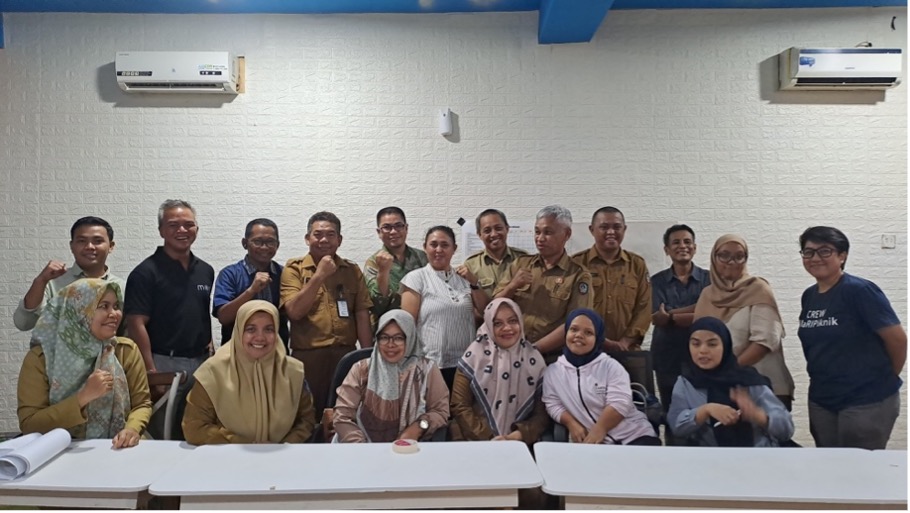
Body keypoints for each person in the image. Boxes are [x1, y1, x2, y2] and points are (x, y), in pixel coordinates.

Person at [797, 226, 905, 450]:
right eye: (808, 252)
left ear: (842, 256)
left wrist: (884, 378)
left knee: (860, 466)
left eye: (825, 251)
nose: (815, 258)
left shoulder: (860, 290)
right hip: (823, 398)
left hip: (866, 399)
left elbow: (897, 340)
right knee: (828, 464)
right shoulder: (809, 296)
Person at [18, 279, 152, 448]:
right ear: (78, 311)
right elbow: (30, 424)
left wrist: (132, 429)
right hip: (60, 448)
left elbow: (142, 404)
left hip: (119, 447)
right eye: (103, 306)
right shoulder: (42, 358)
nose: (114, 314)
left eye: (116, 306)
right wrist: (83, 398)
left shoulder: (125, 351)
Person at [124, 199, 215, 440]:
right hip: (163, 363)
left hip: (200, 362)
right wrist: (150, 370)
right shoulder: (145, 272)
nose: (182, 230)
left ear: (197, 229)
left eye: (189, 224)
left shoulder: (205, 270)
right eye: (173, 225)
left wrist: (210, 348)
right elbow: (135, 323)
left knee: (196, 431)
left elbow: (200, 312)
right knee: (161, 432)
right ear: (161, 230)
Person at [182, 301, 316, 444]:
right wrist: (239, 443)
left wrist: (281, 446)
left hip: (281, 454)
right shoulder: (213, 372)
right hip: (228, 455)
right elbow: (194, 428)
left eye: (269, 329)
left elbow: (306, 421)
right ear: (239, 331)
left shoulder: (293, 372)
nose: (260, 337)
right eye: (251, 329)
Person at [280, 211, 373, 416]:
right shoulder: (294, 269)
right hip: (308, 357)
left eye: (331, 235)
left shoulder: (351, 270)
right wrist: (319, 275)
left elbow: (361, 313)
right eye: (318, 234)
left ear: (339, 240)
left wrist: (367, 356)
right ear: (307, 238)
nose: (324, 240)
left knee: (345, 414)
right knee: (307, 415)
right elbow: (294, 312)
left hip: (346, 355)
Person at [693, 234, 794, 410]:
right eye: (724, 255)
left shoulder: (758, 289)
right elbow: (698, 338)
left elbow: (765, 341)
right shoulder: (707, 295)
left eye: (739, 256)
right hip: (723, 387)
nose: (731, 262)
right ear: (714, 258)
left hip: (763, 386)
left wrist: (727, 370)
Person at [668, 317, 794, 447]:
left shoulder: (749, 380)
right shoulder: (686, 382)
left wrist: (758, 415)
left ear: (725, 346)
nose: (703, 350)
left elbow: (787, 430)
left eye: (712, 344)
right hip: (709, 456)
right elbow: (676, 427)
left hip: (757, 453)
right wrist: (705, 410)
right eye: (696, 344)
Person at [542, 309, 660, 445]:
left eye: (588, 332)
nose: (579, 335)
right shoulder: (553, 372)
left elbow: (620, 402)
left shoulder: (611, 367)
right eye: (573, 329)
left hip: (635, 436)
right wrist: (571, 424)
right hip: (596, 443)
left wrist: (600, 429)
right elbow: (552, 403)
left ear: (598, 338)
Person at [494, 206, 593, 363]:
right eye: (537, 232)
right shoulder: (521, 264)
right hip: (512, 352)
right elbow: (494, 307)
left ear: (567, 234)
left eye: (548, 232)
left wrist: (533, 350)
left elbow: (575, 323)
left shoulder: (578, 275)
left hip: (552, 358)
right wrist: (512, 286)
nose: (540, 238)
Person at [333, 310, 449, 443]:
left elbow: (440, 411)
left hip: (412, 447)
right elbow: (342, 415)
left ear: (410, 338)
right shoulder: (362, 369)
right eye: (384, 337)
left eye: (399, 338)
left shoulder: (426, 370)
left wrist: (418, 428)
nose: (390, 344)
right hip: (362, 447)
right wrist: (361, 447)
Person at [450, 298, 549, 443]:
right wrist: (489, 438)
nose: (507, 328)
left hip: (519, 444)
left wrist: (518, 435)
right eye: (498, 323)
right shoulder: (473, 357)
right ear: (489, 326)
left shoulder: (535, 359)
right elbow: (459, 405)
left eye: (513, 321)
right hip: (473, 442)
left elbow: (542, 414)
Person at [401, 226, 489, 389]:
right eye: (433, 244)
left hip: (465, 364)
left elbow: (485, 311)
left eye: (445, 245)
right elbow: (406, 324)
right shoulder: (416, 278)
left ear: (454, 248)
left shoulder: (464, 278)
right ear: (425, 247)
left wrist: (474, 283)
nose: (439, 250)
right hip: (429, 364)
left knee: (461, 405)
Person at [14, 216, 126, 332]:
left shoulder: (123, 287)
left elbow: (128, 331)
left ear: (111, 246)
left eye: (98, 241)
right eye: (82, 241)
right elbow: (23, 323)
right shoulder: (52, 282)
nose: (89, 247)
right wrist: (40, 281)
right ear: (71, 246)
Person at [650, 224, 711, 421]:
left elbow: (711, 313)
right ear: (667, 250)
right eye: (676, 242)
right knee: (672, 413)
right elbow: (656, 317)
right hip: (667, 357)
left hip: (704, 356)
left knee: (704, 413)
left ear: (695, 247)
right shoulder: (656, 281)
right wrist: (696, 309)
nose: (682, 246)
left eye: (687, 242)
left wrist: (671, 315)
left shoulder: (710, 279)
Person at [572, 207, 651, 352]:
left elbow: (644, 308)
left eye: (616, 227)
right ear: (592, 230)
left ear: (624, 229)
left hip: (627, 349)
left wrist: (626, 341)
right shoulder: (576, 264)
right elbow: (570, 309)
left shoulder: (637, 265)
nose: (611, 232)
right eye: (604, 227)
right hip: (585, 347)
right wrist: (596, 338)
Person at [212, 218, 288, 347]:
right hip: (237, 351)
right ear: (245, 243)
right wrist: (251, 291)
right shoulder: (230, 274)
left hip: (276, 351)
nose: (264, 247)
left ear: (278, 245)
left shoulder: (285, 274)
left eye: (270, 242)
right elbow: (224, 317)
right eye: (257, 241)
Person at [363, 207, 427, 320]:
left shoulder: (422, 257)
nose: (393, 231)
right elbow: (377, 306)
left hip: (421, 322)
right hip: (389, 325)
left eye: (398, 226)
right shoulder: (373, 263)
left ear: (406, 228)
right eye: (387, 227)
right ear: (379, 232)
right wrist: (383, 272)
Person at [461, 209, 528, 299]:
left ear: (507, 229)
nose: (493, 234)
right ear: (479, 234)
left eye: (498, 228)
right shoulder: (471, 265)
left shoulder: (523, 259)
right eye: (487, 231)